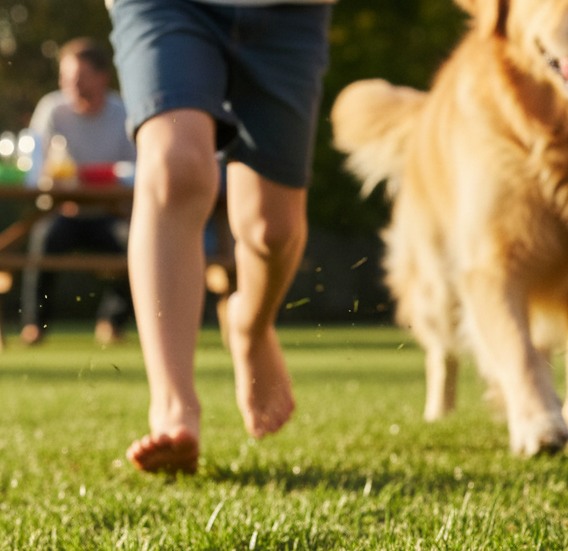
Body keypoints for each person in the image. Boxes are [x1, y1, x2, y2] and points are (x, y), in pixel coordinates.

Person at [108, 0, 334, 473]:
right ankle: (174, 407)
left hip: (289, 11)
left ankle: (250, 327)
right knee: (175, 167)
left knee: (273, 230)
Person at [20, 38, 137, 347]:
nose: (70, 84)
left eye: (79, 77)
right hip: (64, 212)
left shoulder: (124, 112)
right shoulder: (51, 109)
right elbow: (35, 168)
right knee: (44, 240)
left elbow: (137, 170)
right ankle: (35, 325)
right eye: (65, 77)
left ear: (102, 77)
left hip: (111, 213)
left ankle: (112, 322)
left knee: (137, 244)